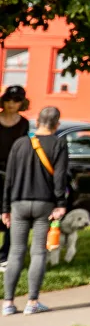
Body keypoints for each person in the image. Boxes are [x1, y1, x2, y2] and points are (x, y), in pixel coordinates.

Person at [2, 105, 68, 315]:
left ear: (37, 122)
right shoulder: (59, 144)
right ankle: (32, 302)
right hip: (44, 204)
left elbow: (9, 179)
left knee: (15, 252)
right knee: (38, 251)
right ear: (57, 124)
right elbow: (60, 178)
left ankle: (8, 303)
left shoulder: (19, 144)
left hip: (18, 203)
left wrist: (5, 208)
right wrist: (60, 204)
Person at [0, 86, 30, 268]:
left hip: (13, 173)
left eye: (16, 101)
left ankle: (6, 252)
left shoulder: (23, 123)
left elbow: (24, 149)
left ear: (22, 103)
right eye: (8, 100)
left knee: (11, 212)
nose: (11, 104)